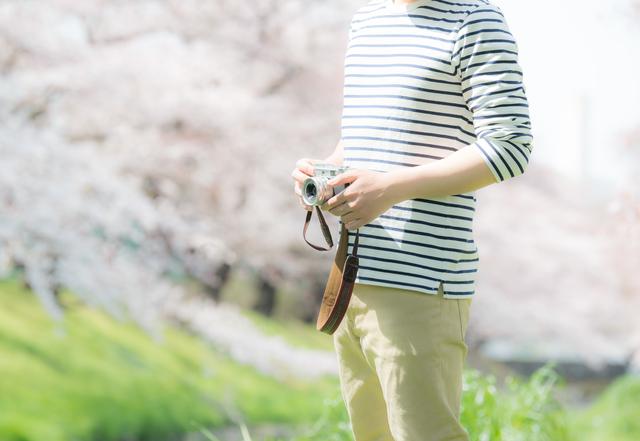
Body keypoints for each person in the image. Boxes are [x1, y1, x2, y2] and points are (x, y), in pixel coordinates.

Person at [291, 0, 532, 439]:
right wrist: (324, 171)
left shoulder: (475, 20)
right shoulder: (367, 21)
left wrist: (391, 187)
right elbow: (366, 135)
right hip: (353, 277)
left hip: (423, 284)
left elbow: (510, 145)